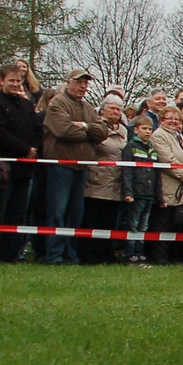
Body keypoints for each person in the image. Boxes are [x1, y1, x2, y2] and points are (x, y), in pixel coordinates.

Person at [40, 70, 116, 265]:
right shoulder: (57, 103)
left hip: (81, 167)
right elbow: (64, 130)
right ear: (69, 83)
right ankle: (54, 255)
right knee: (58, 212)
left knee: (75, 214)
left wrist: (84, 126)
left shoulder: (88, 107)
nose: (83, 86)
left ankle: (70, 254)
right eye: (79, 82)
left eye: (85, 83)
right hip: (61, 165)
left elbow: (102, 132)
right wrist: (88, 131)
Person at [0, 62, 39, 262]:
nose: (16, 84)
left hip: (25, 168)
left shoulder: (26, 104)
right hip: (5, 167)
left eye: (19, 80)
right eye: (12, 80)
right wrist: (24, 149)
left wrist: (34, 149)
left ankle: (12, 253)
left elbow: (37, 129)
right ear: (1, 81)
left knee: (17, 213)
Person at [80, 96, 130, 264]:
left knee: (109, 220)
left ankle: (105, 253)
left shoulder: (124, 130)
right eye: (112, 108)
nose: (115, 112)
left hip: (115, 181)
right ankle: (88, 254)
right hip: (97, 179)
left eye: (118, 109)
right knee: (93, 218)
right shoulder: (96, 128)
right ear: (102, 110)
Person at [147, 108, 183, 266]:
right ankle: (159, 258)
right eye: (170, 118)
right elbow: (168, 161)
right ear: (161, 120)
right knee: (161, 223)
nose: (174, 121)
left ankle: (175, 257)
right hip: (165, 185)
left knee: (176, 224)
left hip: (181, 189)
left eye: (177, 119)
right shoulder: (158, 136)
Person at [120, 113, 159, 265]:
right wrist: (128, 192)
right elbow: (127, 171)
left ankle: (139, 252)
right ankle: (129, 253)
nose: (148, 132)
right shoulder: (131, 147)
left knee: (143, 226)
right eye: (144, 128)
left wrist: (158, 195)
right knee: (133, 225)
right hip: (136, 193)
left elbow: (156, 174)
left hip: (149, 193)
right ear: (136, 130)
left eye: (150, 129)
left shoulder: (152, 149)